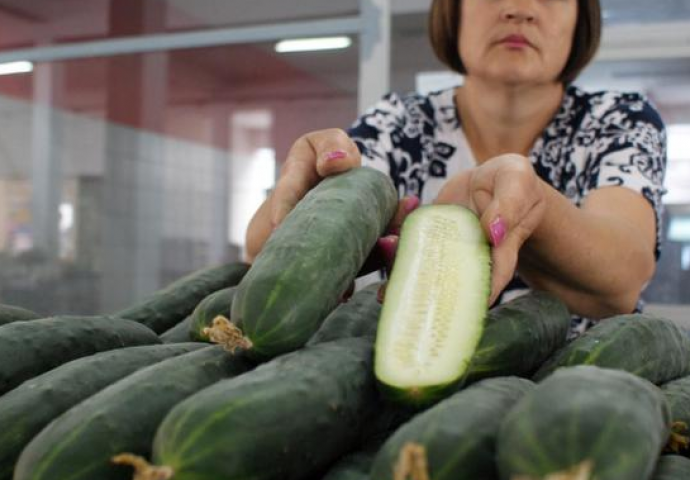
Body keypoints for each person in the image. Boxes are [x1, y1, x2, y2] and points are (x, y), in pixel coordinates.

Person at [246, 0, 667, 338]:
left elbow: (624, 276)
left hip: (579, 391)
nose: (519, 8)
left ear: (581, 16)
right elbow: (261, 254)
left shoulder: (619, 119)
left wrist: (533, 210)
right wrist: (306, 203)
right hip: (414, 386)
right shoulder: (399, 122)